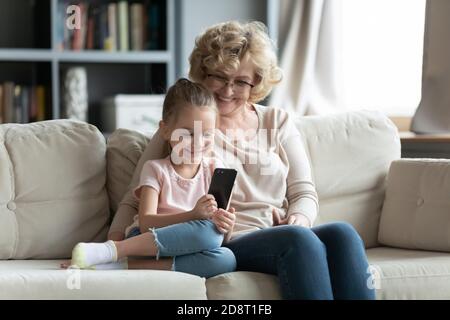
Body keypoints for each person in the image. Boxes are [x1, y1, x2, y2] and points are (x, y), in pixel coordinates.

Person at [108, 21, 376, 300]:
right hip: (225, 238)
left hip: (282, 232)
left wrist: (298, 219)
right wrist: (112, 243)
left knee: (342, 234)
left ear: (257, 82)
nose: (227, 90)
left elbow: (304, 191)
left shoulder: (277, 121)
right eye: (219, 78)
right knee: (299, 241)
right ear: (203, 72)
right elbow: (134, 196)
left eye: (240, 82)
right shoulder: (188, 125)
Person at [63, 79, 237, 278]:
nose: (198, 143)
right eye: (189, 133)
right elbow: (146, 223)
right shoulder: (156, 169)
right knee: (207, 231)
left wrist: (227, 227)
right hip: (145, 241)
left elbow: (218, 239)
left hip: (188, 246)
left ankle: (118, 265)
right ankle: (114, 251)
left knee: (227, 258)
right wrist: (192, 215)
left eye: (206, 134)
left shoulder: (214, 169)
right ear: (165, 130)